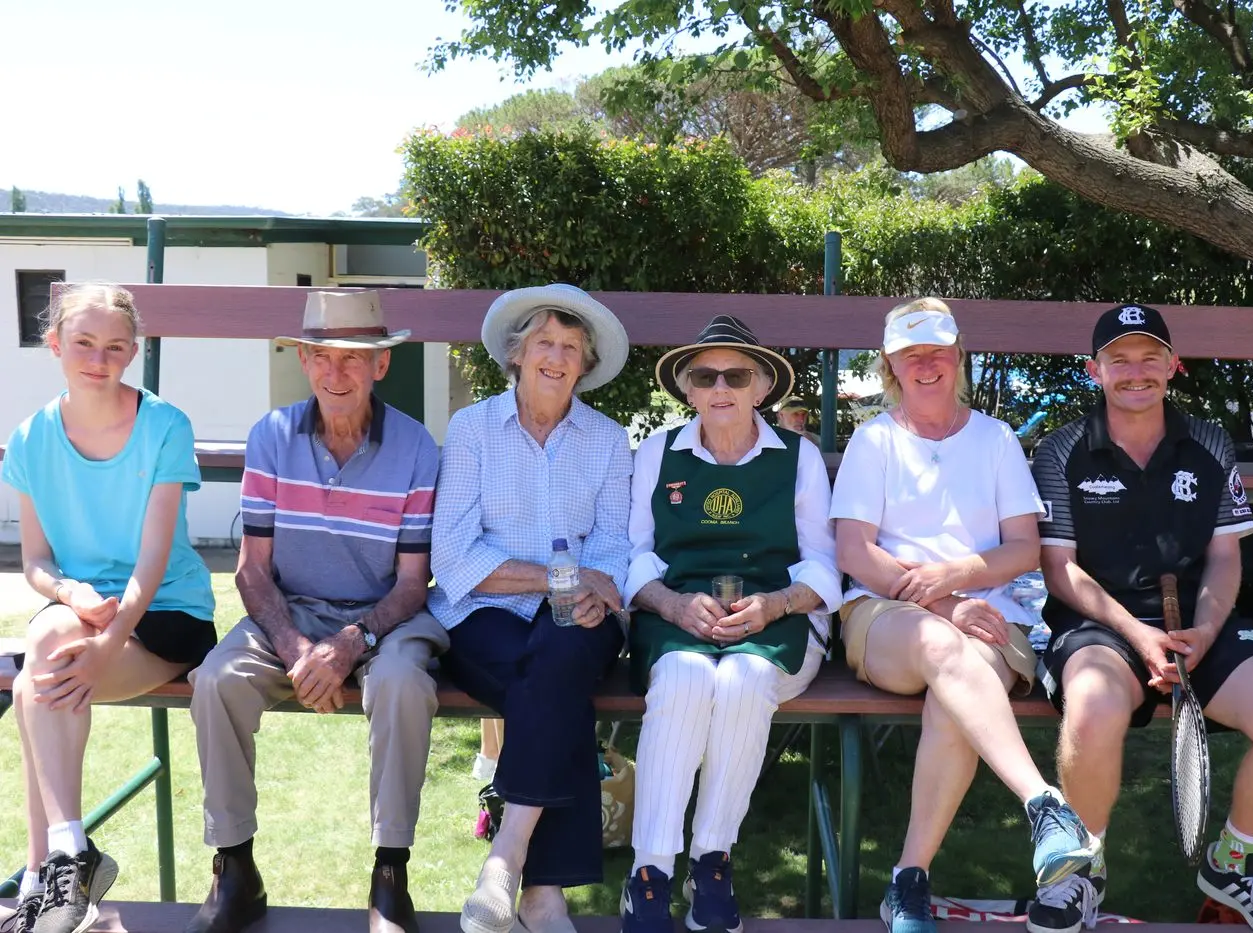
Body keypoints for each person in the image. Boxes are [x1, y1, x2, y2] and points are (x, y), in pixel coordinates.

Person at [1029, 304, 1253, 933]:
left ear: (1173, 365)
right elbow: (1060, 570)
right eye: (1119, 359)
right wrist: (1139, 637)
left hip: (1205, 625)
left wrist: (1205, 633)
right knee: (1091, 708)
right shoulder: (1060, 451)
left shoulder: (1212, 443)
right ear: (1094, 371)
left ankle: (1233, 864)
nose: (1135, 372)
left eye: (1149, 357)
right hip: (1100, 627)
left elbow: (1226, 555)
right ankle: (1082, 871)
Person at [830, 298, 1095, 933]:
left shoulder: (996, 438)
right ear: (891, 365)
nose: (926, 364)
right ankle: (1043, 804)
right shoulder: (875, 441)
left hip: (990, 618)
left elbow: (1024, 547)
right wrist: (946, 601)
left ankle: (908, 880)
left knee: (955, 693)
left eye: (937, 350)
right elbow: (853, 552)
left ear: (959, 355)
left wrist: (958, 575)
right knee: (946, 647)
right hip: (888, 614)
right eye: (910, 354)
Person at [185, 291, 445, 933]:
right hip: (289, 614)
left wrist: (351, 643)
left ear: (381, 366)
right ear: (303, 360)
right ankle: (235, 867)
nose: (337, 373)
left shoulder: (416, 447)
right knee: (215, 680)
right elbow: (252, 569)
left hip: (384, 620)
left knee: (403, 682)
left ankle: (391, 872)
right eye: (322, 357)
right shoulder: (271, 437)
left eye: (353, 359)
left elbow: (415, 583)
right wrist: (299, 649)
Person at [2, 283, 217, 933]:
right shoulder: (31, 437)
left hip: (166, 612)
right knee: (47, 651)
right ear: (56, 345)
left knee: (36, 680)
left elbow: (151, 563)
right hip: (83, 608)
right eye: (84, 343)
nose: (98, 358)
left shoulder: (164, 426)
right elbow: (35, 560)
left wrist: (106, 643)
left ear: (133, 350)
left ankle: (46, 866)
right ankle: (68, 855)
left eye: (115, 347)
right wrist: (70, 593)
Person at [620, 315, 843, 933]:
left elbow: (823, 562)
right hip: (677, 611)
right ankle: (650, 873)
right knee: (688, 678)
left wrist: (775, 605)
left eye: (737, 374)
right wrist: (668, 604)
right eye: (705, 375)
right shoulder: (657, 455)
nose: (721, 386)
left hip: (776, 615)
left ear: (761, 387)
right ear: (687, 390)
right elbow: (635, 553)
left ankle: (712, 860)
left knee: (744, 679)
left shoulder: (797, 458)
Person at [429, 284, 632, 933]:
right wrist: (562, 578)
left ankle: (504, 859)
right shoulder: (472, 429)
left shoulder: (605, 439)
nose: (556, 356)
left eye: (570, 347)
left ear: (584, 363)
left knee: (562, 652)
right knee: (552, 685)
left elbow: (616, 549)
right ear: (516, 355)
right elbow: (455, 557)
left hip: (577, 616)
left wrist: (597, 590)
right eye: (544, 342)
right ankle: (543, 894)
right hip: (482, 611)